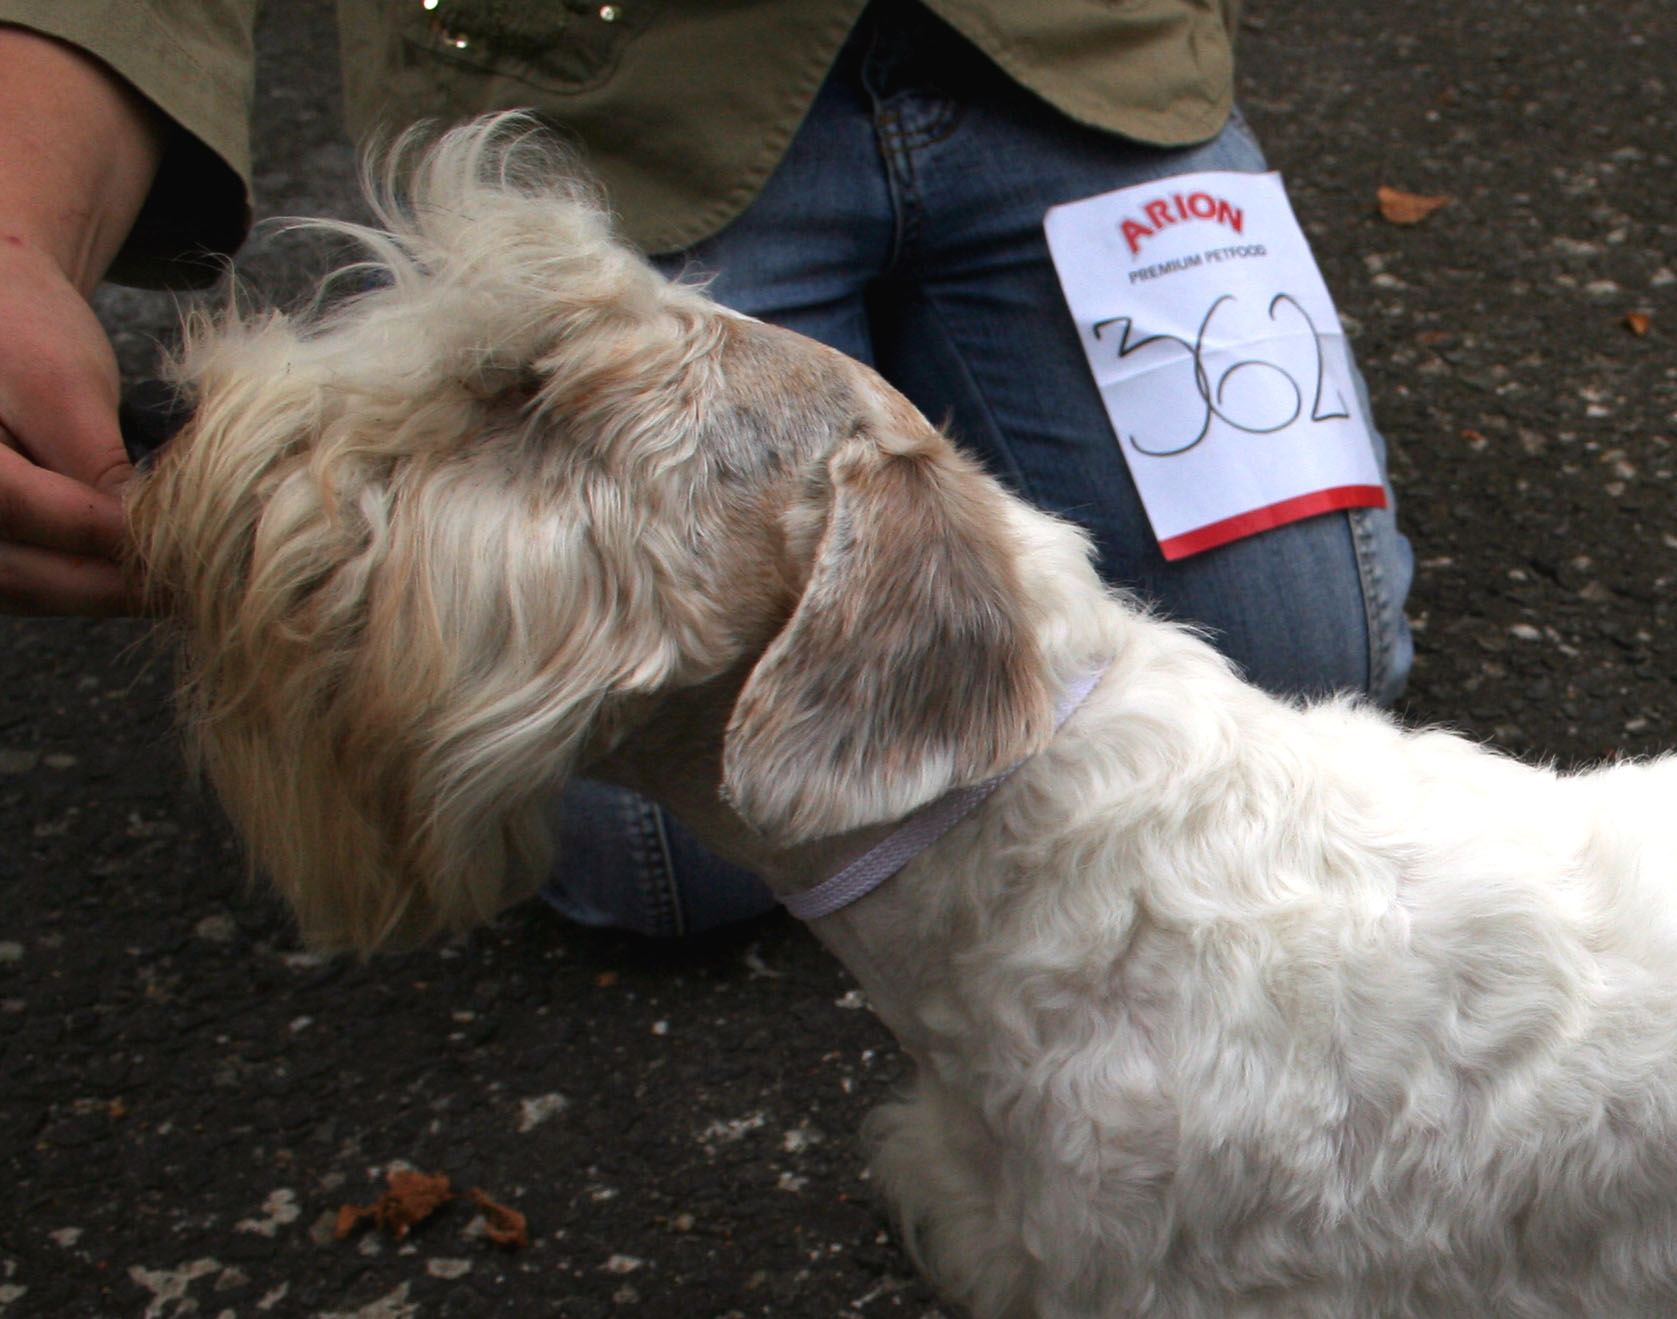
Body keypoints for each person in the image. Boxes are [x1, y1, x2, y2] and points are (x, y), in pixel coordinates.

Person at [0, 0, 1410, 934]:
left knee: (1303, 656)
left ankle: (899, 388)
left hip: (1061, 49)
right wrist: (17, 227)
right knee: (678, 864)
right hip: (608, 89)